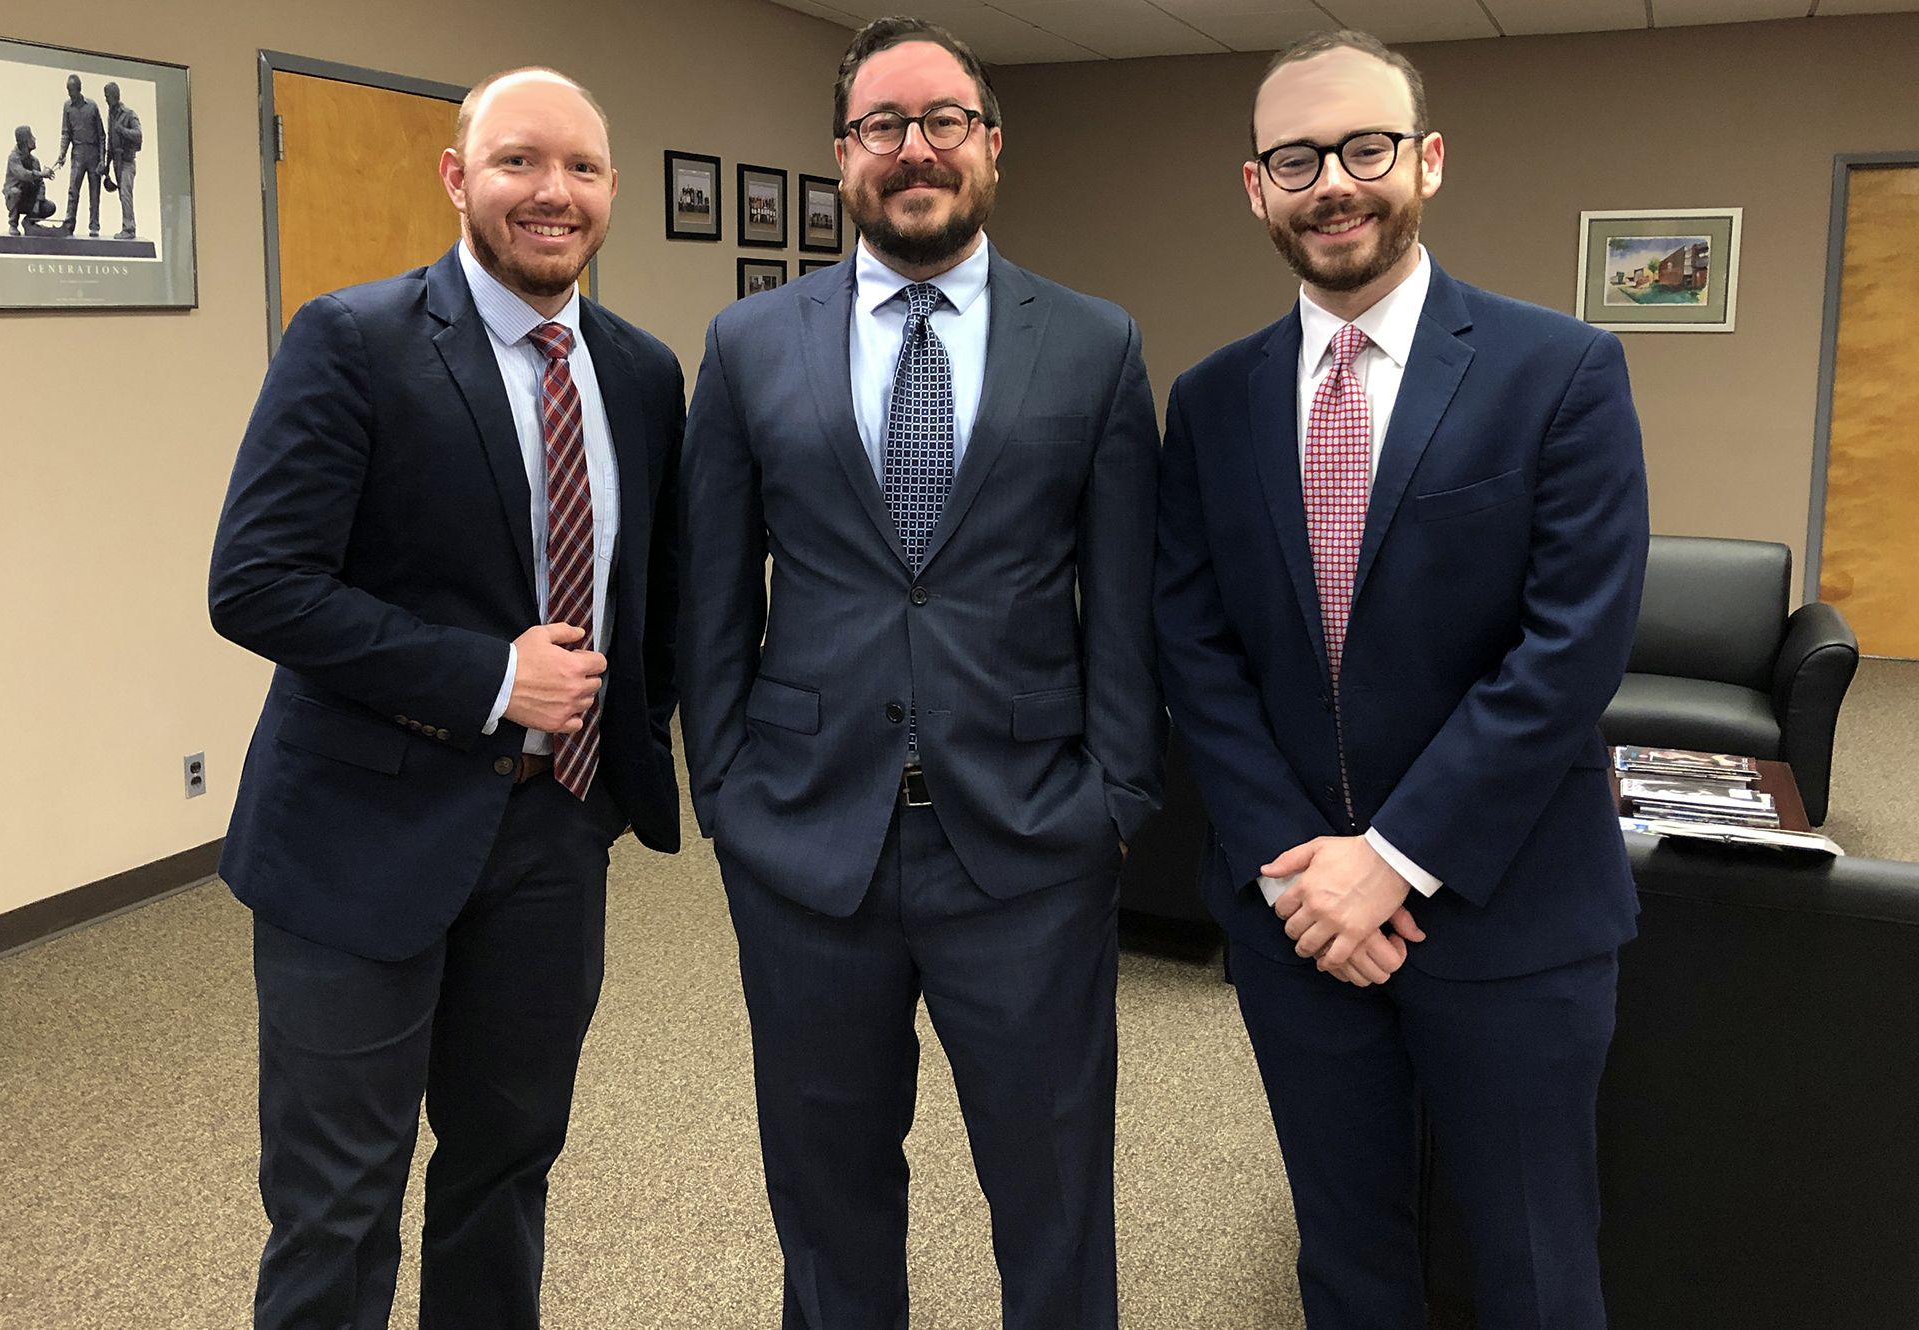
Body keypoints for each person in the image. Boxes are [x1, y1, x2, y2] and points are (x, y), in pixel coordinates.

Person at [1154, 29, 1648, 1330]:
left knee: (1535, 1265)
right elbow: (1195, 649)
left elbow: (1572, 647)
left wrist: (1399, 853)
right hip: (1297, 920)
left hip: (1511, 914)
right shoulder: (1210, 402)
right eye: (1298, 157)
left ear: (1426, 162)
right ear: (1254, 185)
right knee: (1347, 1258)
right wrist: (1295, 864)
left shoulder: (1563, 374)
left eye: (1366, 148)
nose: (1335, 182)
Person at [679, 17, 1162, 1329]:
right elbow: (710, 592)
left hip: (1026, 842)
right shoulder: (748, 346)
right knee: (825, 1188)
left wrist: (1115, 793)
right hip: (805, 842)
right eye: (881, 127)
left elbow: (1123, 598)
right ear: (844, 156)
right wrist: (723, 787)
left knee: (1054, 1181)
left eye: (943, 120)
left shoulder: (1096, 344)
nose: (914, 150)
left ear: (994, 146)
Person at [209, 66, 683, 1330]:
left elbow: (658, 599)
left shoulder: (640, 373)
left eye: (580, 169)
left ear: (609, 193)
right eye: (520, 161)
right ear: (457, 175)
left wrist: (627, 754)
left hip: (548, 841)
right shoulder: (351, 338)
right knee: (336, 1202)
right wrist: (487, 676)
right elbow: (256, 584)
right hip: (356, 840)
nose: (552, 192)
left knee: (504, 1168)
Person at [52, 74, 103, 238]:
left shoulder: (92, 106)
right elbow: (65, 133)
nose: (69, 93)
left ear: (79, 89)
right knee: (73, 190)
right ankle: (69, 223)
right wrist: (62, 153)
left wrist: (102, 159)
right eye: (68, 90)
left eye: (71, 90)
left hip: (93, 153)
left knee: (94, 192)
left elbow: (102, 135)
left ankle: (94, 225)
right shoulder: (67, 107)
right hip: (78, 153)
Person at [103, 82, 143, 240]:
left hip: (127, 161)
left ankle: (129, 229)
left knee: (126, 194)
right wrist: (106, 165)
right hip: (117, 161)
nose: (106, 100)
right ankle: (127, 227)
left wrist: (122, 130)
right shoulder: (111, 114)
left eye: (107, 96)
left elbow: (139, 135)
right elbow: (110, 141)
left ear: (115, 96)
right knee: (122, 195)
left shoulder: (129, 114)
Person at [2, 126, 56, 234]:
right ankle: (13, 224)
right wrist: (41, 174)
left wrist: (38, 202)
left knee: (50, 207)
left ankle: (29, 221)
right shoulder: (14, 158)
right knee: (15, 192)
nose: (34, 139)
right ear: (25, 141)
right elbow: (23, 174)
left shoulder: (34, 161)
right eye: (31, 137)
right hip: (16, 199)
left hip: (29, 199)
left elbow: (41, 184)